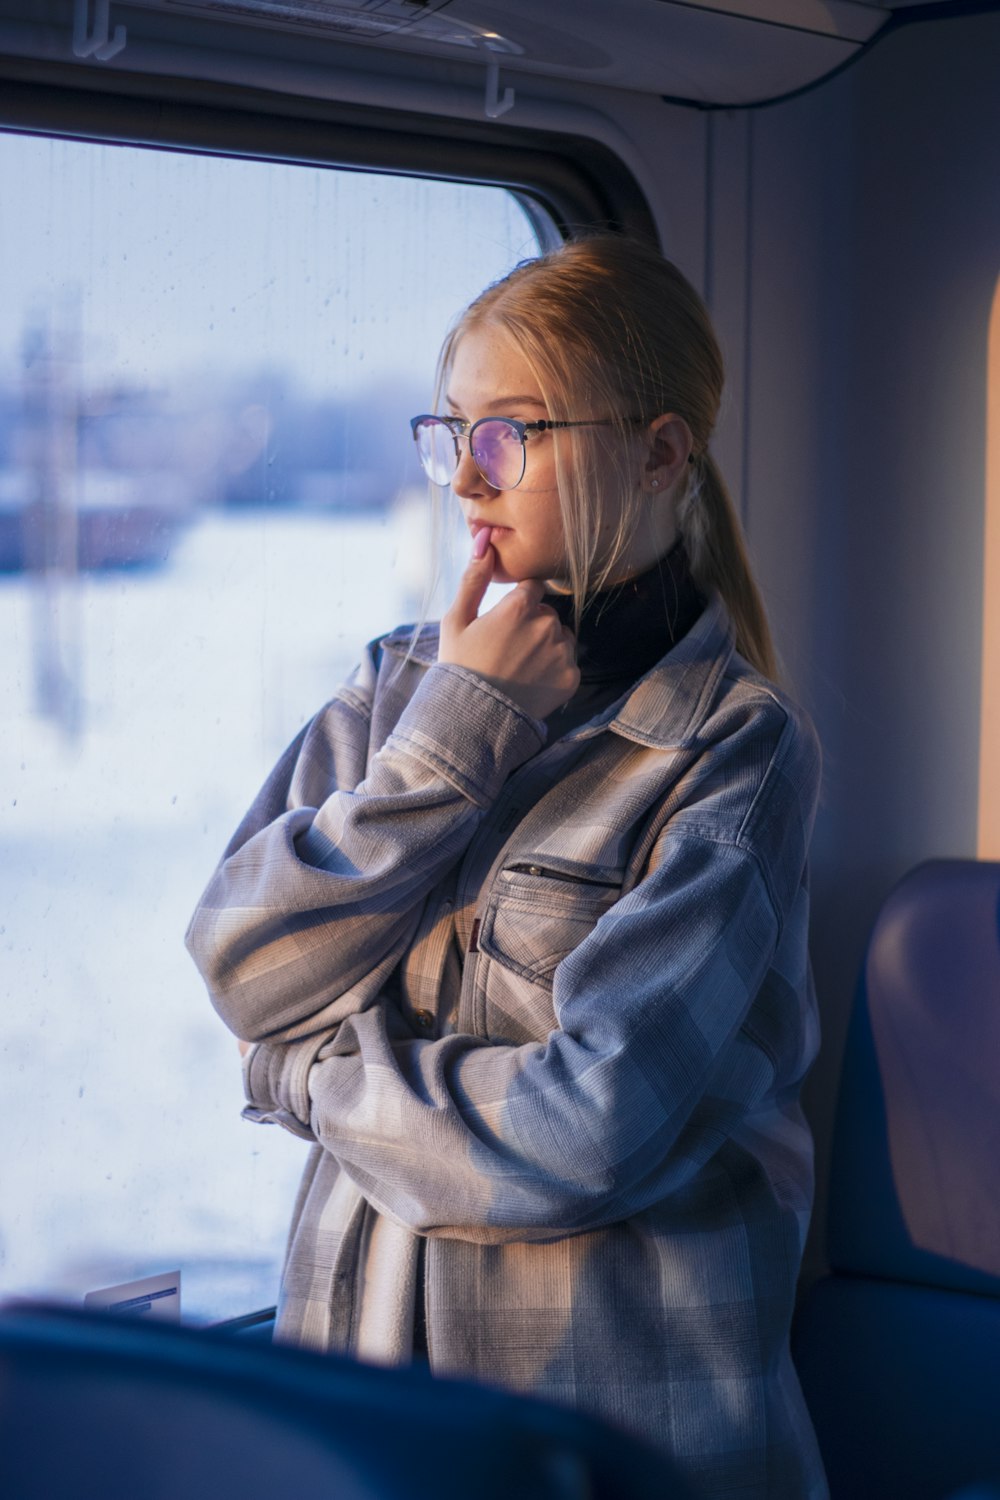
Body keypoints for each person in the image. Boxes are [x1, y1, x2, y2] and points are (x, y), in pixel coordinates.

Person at [186, 233, 827, 1500]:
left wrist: (302, 1076)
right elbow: (244, 960)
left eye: (511, 436)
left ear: (658, 454)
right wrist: (458, 731)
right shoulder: (395, 689)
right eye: (453, 434)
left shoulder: (733, 752)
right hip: (364, 1412)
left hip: (612, 1436)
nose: (467, 482)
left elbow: (575, 1133)